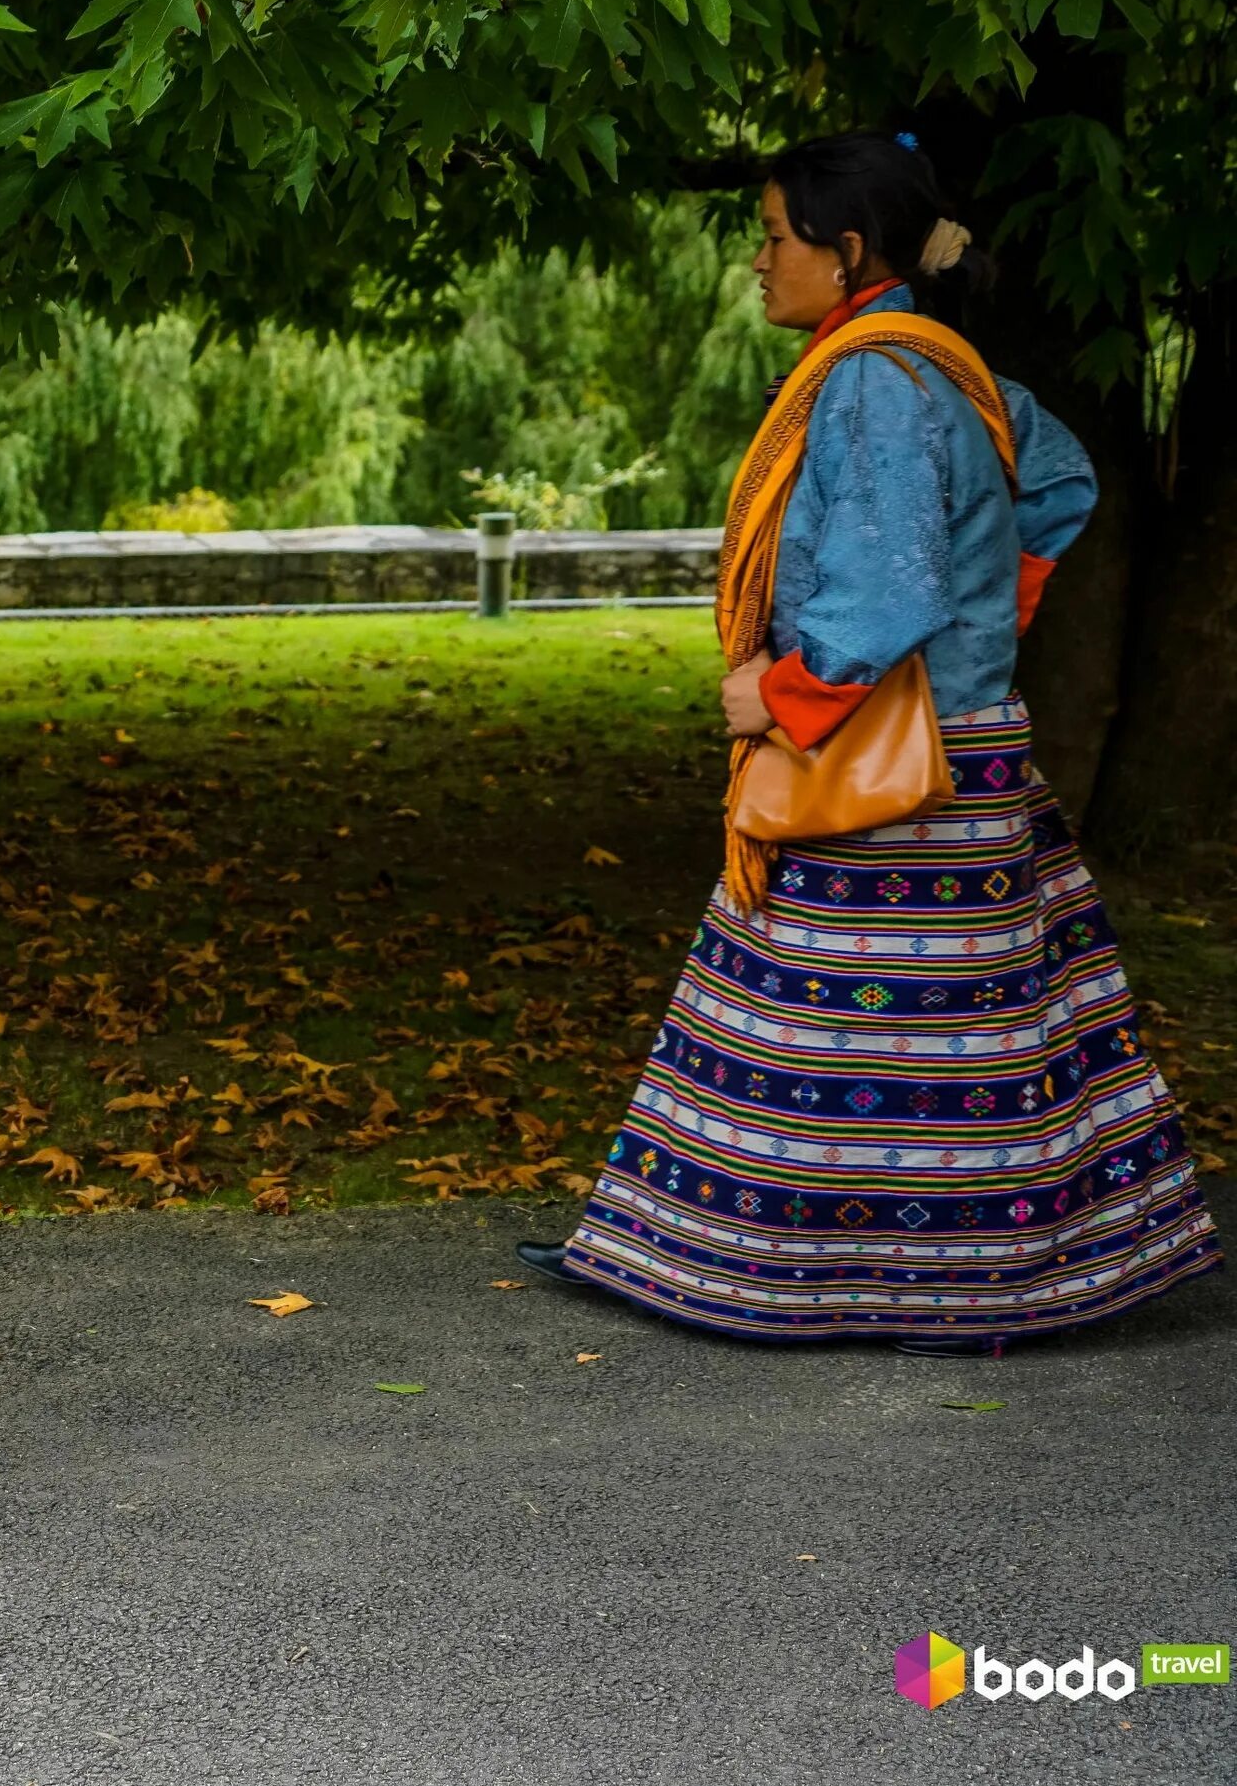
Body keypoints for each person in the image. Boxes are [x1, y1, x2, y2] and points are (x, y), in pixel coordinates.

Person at [519, 132, 1223, 1354]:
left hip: (887, 757)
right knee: (956, 1032)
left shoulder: (868, 381)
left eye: (775, 235)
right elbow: (1055, 479)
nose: (757, 259)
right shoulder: (943, 363)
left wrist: (779, 693)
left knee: (822, 1021)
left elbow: (886, 595)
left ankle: (780, 1277)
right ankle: (962, 1281)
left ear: (846, 252)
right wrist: (986, 617)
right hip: (969, 745)